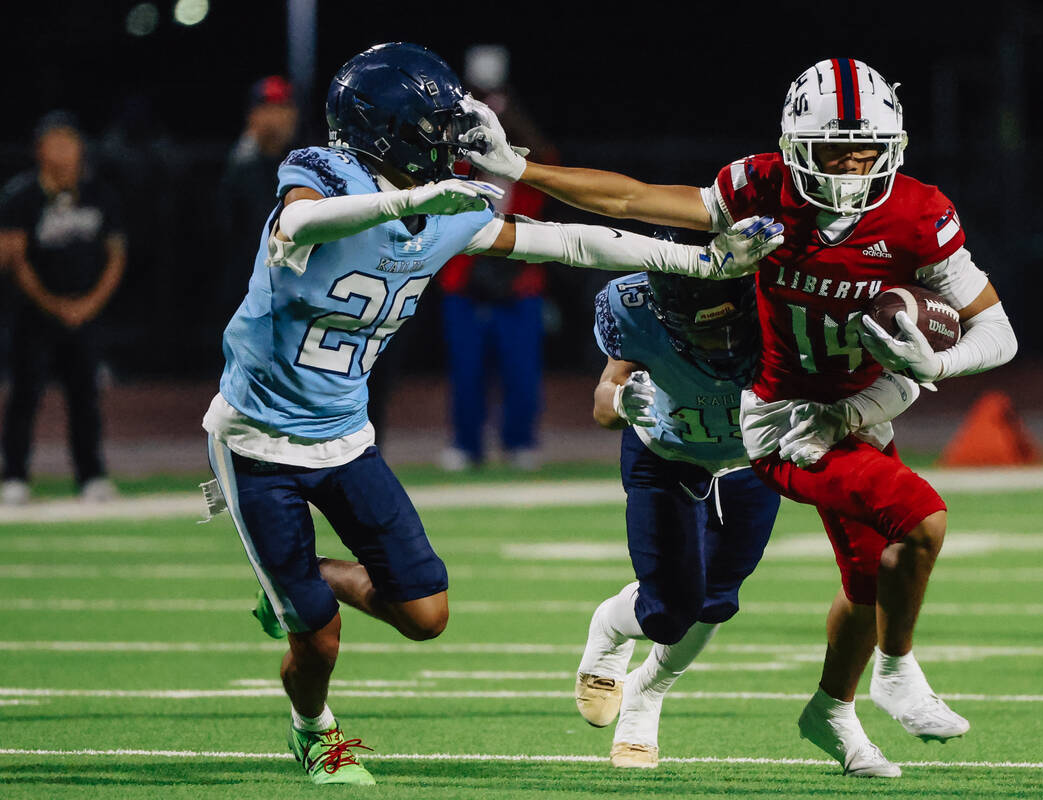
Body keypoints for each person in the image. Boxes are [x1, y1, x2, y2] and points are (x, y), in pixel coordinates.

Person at [200, 41, 783, 787]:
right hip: (256, 438)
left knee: (426, 614)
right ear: (388, 128)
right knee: (317, 637)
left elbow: (571, 240)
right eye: (434, 125)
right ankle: (314, 731)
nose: (449, 140)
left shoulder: (446, 207)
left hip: (344, 435)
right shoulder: (328, 172)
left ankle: (294, 578)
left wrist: (704, 261)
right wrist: (410, 202)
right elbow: (296, 229)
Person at [460, 56, 1018, 777]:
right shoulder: (713, 241)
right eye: (832, 154)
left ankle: (813, 708)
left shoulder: (915, 215)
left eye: (865, 153)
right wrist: (507, 192)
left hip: (843, 411)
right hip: (761, 422)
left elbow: (985, 335)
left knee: (779, 593)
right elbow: (609, 223)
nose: (849, 173)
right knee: (690, 599)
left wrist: (931, 365)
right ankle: (881, 673)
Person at [578, 254, 920, 769]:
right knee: (669, 611)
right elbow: (605, 395)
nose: (717, 345)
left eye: (725, 328)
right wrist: (622, 402)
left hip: (750, 457)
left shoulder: (783, 305)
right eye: (702, 331)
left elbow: (879, 384)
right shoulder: (635, 306)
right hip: (667, 452)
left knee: (716, 600)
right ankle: (609, 626)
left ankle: (644, 698)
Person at [434, 44, 561, 471]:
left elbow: (548, 161)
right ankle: (467, 445)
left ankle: (519, 441)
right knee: (467, 372)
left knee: (521, 371)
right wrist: (467, 118)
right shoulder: (457, 149)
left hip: (519, 276)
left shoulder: (525, 154)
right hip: (464, 275)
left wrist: (510, 115)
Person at [0, 111, 126, 505]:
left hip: (86, 316)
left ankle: (92, 475)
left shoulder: (100, 195)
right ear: (39, 150)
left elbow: (116, 255)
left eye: (68, 142)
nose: (62, 151)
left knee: (86, 397)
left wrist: (88, 305)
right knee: (24, 396)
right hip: (33, 316)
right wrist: (54, 304)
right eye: (54, 142)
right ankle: (15, 476)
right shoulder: (20, 195)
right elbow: (13, 258)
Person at [214, 76, 300, 325]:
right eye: (269, 109)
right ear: (253, 116)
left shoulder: (305, 164)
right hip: (246, 291)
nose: (278, 118)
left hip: (294, 291)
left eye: (284, 108)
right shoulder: (237, 167)